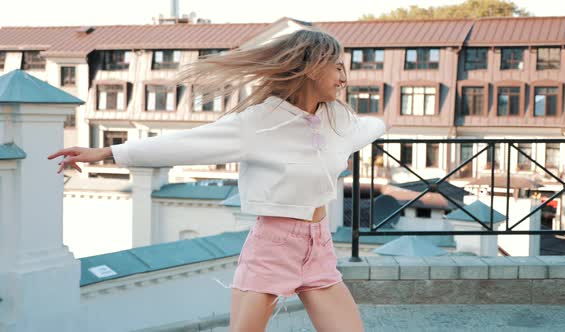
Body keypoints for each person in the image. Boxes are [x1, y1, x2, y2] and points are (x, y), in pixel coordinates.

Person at [48, 28, 385, 332]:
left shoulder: (337, 118)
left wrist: (379, 125)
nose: (344, 77)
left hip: (320, 247)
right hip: (274, 246)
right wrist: (107, 153)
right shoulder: (259, 122)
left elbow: (366, 129)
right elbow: (186, 145)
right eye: (337, 67)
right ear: (312, 68)